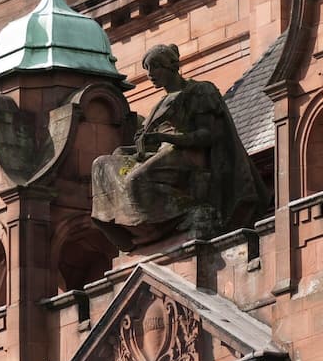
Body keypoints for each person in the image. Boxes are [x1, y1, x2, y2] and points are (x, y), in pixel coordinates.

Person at [91, 44, 267, 250]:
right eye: (147, 68)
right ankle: (135, 232)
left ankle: (178, 217)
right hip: (160, 153)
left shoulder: (199, 90)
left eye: (156, 66)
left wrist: (166, 137)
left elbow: (207, 135)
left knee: (135, 181)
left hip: (188, 154)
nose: (150, 74)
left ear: (173, 66)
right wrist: (130, 150)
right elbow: (150, 142)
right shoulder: (160, 103)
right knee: (101, 164)